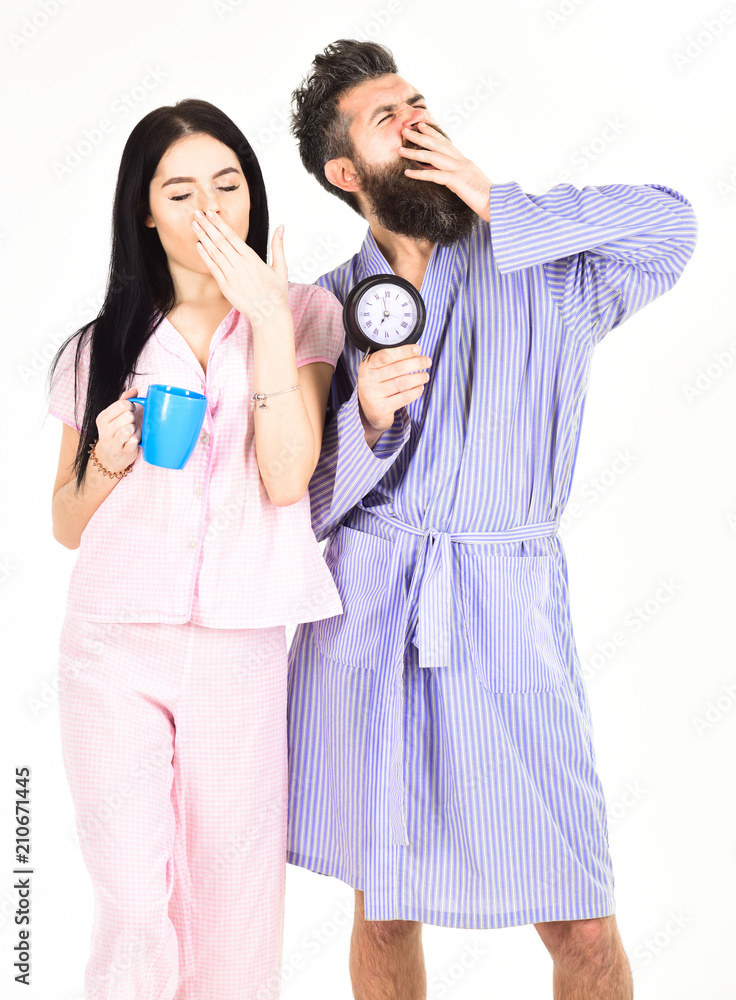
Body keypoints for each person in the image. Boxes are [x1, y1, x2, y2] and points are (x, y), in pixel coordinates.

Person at [284, 39, 698, 1000]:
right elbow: (296, 506)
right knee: (385, 907)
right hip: (370, 613)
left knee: (582, 921)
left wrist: (497, 200)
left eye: (417, 103)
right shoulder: (328, 310)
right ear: (347, 173)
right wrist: (364, 420)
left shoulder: (544, 268)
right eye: (387, 119)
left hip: (507, 614)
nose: (417, 121)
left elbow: (673, 227)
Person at [46, 98, 345, 1000]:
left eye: (228, 185)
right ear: (145, 211)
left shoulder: (306, 314)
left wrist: (266, 320)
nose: (210, 209)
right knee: (134, 899)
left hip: (239, 647)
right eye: (180, 193)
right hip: (111, 644)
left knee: (233, 903)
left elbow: (287, 475)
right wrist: (107, 460)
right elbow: (65, 522)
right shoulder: (100, 345)